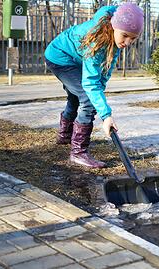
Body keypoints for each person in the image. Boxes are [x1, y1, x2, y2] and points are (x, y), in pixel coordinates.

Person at [44, 3, 144, 169]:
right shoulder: (98, 39)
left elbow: (106, 70)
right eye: (125, 35)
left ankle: (65, 135)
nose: (128, 42)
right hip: (60, 57)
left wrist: (100, 93)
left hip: (74, 58)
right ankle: (78, 152)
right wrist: (106, 115)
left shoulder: (114, 34)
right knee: (87, 98)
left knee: (77, 96)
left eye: (133, 38)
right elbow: (90, 83)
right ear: (114, 26)